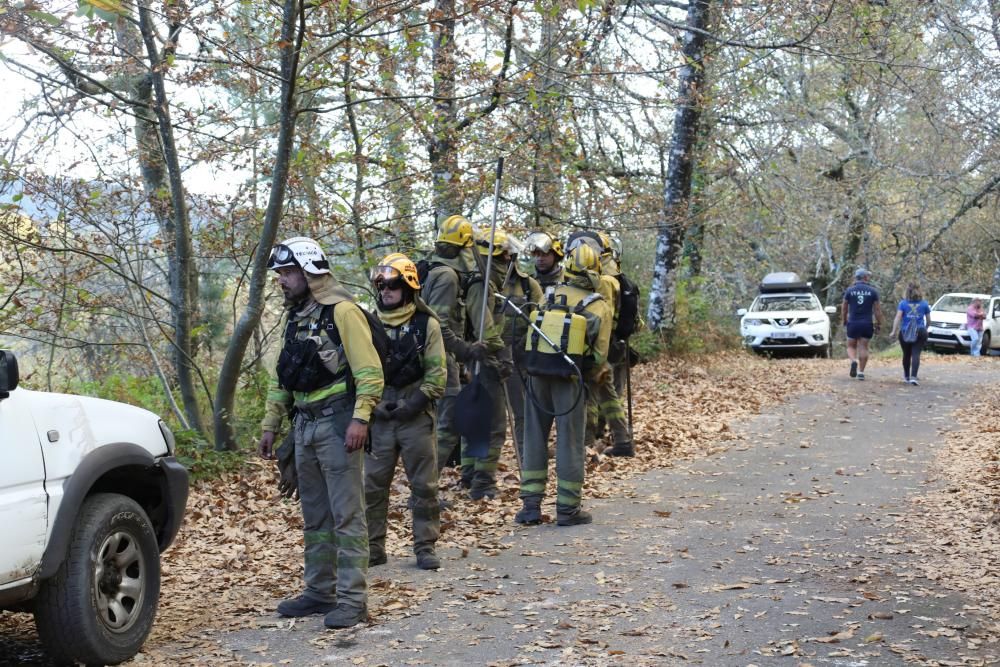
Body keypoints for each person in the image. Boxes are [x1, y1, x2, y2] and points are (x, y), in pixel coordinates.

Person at [258, 236, 384, 629]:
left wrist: (360, 419)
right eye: (280, 273)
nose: (281, 279)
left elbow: (370, 372)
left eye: (288, 271)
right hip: (304, 426)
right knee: (315, 517)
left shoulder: (343, 312)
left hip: (337, 424)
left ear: (310, 271)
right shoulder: (295, 318)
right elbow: (284, 376)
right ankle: (319, 591)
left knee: (347, 515)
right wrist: (270, 424)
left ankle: (352, 599)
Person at [516, 243, 612, 527]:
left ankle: (530, 507)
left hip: (537, 375)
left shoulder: (550, 294)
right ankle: (568, 509)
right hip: (570, 380)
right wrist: (589, 377)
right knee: (570, 442)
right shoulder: (599, 307)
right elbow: (599, 356)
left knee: (534, 437)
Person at [366, 253, 447, 570]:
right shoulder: (367, 323)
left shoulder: (427, 325)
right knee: (372, 484)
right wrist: (375, 404)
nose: (386, 291)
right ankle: (373, 547)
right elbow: (357, 368)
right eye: (382, 285)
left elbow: (437, 375)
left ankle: (425, 546)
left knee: (425, 486)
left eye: (393, 285)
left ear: (409, 287)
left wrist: (413, 403)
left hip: (416, 415)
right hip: (380, 414)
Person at [478, 229, 542, 462]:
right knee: (483, 416)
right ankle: (473, 472)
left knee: (523, 412)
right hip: (486, 357)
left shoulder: (528, 285)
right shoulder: (481, 284)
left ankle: (527, 457)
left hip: (518, 358)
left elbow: (540, 320)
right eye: (497, 256)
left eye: (506, 255)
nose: (503, 260)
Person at [841, 268, 882, 381]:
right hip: (867, 323)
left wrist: (844, 320)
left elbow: (844, 308)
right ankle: (861, 372)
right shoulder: (873, 291)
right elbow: (877, 310)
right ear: (864, 277)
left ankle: (854, 361)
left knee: (850, 346)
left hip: (853, 322)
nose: (869, 278)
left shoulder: (849, 291)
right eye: (867, 276)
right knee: (863, 347)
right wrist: (879, 323)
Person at [887, 283, 930, 385]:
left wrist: (893, 331)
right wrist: (926, 328)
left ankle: (906, 376)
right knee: (916, 353)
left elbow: (898, 317)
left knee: (906, 354)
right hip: (920, 330)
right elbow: (929, 320)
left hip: (905, 331)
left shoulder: (903, 303)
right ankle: (914, 377)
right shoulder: (924, 304)